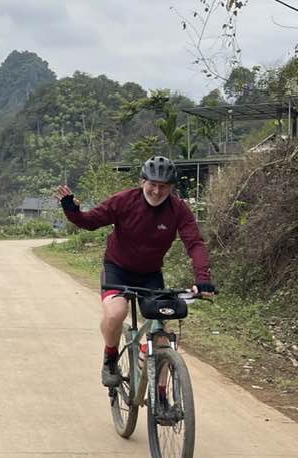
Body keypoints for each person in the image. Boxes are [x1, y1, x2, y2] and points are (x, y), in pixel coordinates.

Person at [54, 156, 215, 387]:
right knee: (115, 314)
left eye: (164, 187)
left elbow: (195, 243)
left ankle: (161, 399)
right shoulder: (124, 201)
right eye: (152, 184)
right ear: (142, 182)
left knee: (161, 337)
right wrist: (71, 209)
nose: (157, 191)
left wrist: (202, 279)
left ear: (171, 188)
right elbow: (90, 221)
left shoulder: (178, 209)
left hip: (150, 275)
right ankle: (110, 358)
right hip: (117, 270)